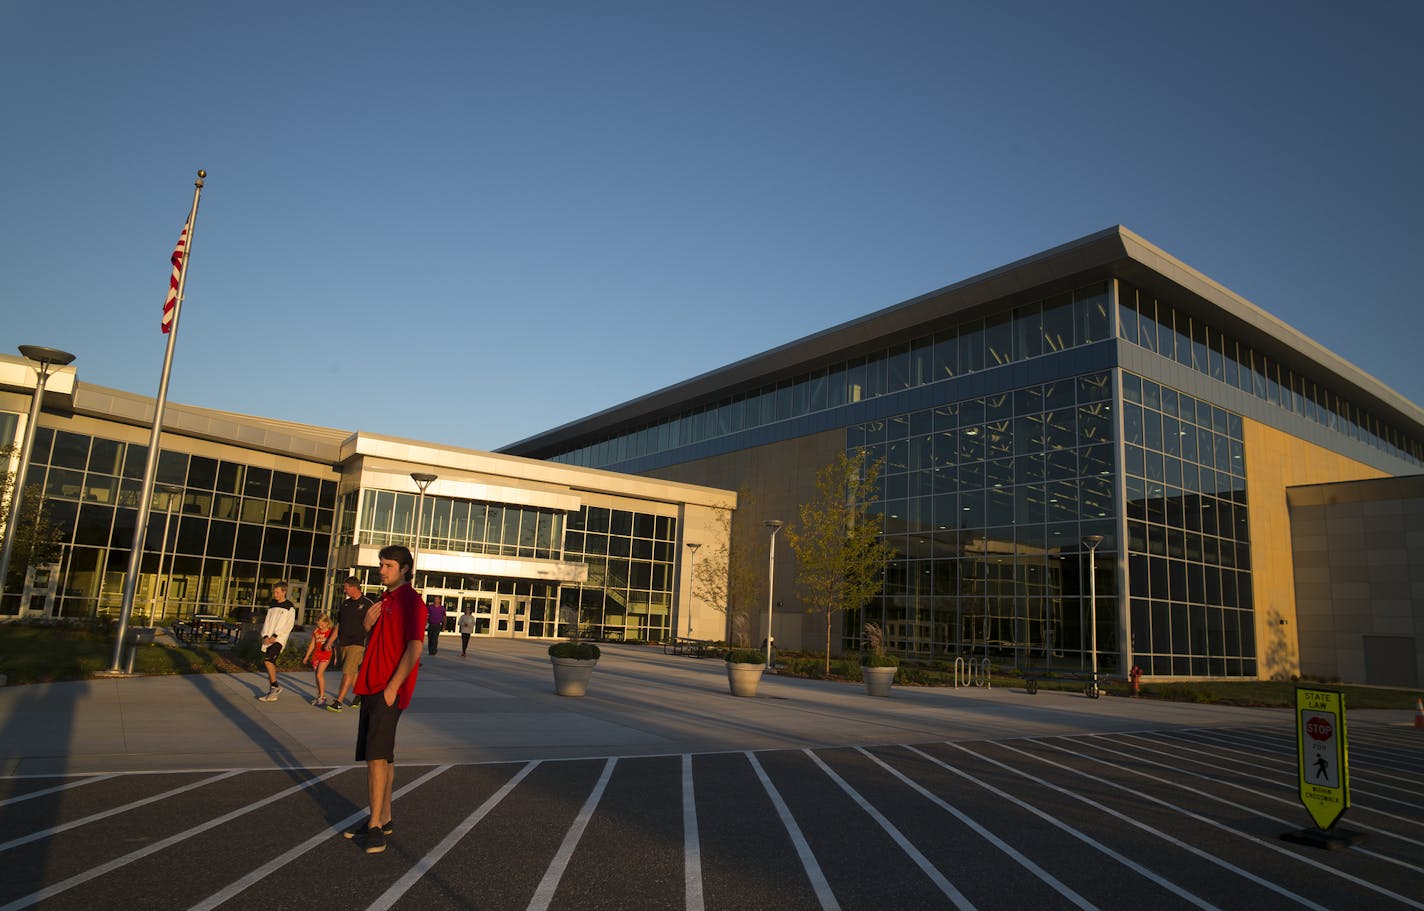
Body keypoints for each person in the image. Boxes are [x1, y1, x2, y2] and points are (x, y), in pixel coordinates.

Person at [346, 545, 426, 854]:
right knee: (385, 755)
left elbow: (415, 648)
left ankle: (375, 826)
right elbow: (379, 641)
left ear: (405, 569)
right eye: (381, 564)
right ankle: (384, 817)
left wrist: (393, 687)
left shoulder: (411, 602)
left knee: (375, 757)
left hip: (387, 689)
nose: (382, 570)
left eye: (389, 565)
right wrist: (367, 626)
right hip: (370, 686)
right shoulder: (384, 600)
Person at [327, 577, 373, 712]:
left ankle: (339, 701)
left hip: (358, 643)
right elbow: (339, 624)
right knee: (351, 672)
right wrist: (330, 641)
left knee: (347, 672)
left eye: (346, 587)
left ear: (354, 587)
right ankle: (360, 695)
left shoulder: (367, 603)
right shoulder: (345, 604)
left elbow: (374, 625)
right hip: (344, 643)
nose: (344, 589)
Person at [256, 583, 296, 702]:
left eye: (277, 592)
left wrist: (275, 636)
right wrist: (265, 636)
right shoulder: (272, 606)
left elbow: (288, 625)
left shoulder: (289, 607)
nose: (275, 594)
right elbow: (267, 622)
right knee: (269, 664)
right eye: (274, 592)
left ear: (284, 592)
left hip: (279, 640)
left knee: (268, 661)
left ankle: (275, 687)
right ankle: (273, 690)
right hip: (269, 640)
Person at [303, 615, 335, 706]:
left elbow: (334, 645)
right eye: (318, 624)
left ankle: (322, 696)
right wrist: (306, 656)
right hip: (316, 656)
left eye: (321, 624)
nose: (320, 626)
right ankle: (319, 696)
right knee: (317, 677)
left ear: (326, 623)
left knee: (319, 674)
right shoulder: (316, 632)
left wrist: (336, 657)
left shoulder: (330, 632)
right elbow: (312, 645)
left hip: (326, 656)